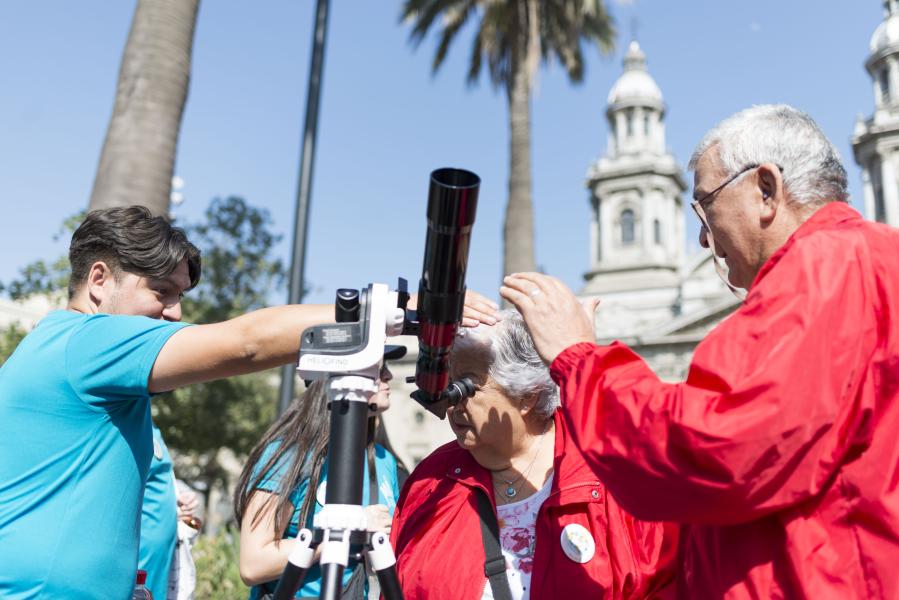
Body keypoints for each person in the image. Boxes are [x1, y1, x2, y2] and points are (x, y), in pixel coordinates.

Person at [501, 104, 899, 598]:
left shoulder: (824, 267)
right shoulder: (867, 259)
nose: (703, 238)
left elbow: (717, 446)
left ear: (766, 190)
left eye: (706, 207)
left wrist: (578, 358)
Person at [0, 206, 498, 599]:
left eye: (181, 296)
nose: (175, 314)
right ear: (99, 280)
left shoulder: (84, 360)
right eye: (161, 292)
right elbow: (246, 342)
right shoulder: (87, 342)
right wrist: (396, 309)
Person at [390, 310, 677, 599]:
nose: (451, 402)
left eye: (467, 386)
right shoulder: (430, 483)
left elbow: (663, 582)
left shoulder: (611, 473)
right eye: (448, 384)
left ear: (528, 396)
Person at [234, 364, 401, 599]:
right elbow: (253, 564)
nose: (389, 376)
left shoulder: (384, 460)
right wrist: (347, 531)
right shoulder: (290, 455)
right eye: (377, 368)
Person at [138, 423, 201, 599]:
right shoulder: (126, 420)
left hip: (158, 571)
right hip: (137, 568)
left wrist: (177, 498)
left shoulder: (151, 426)